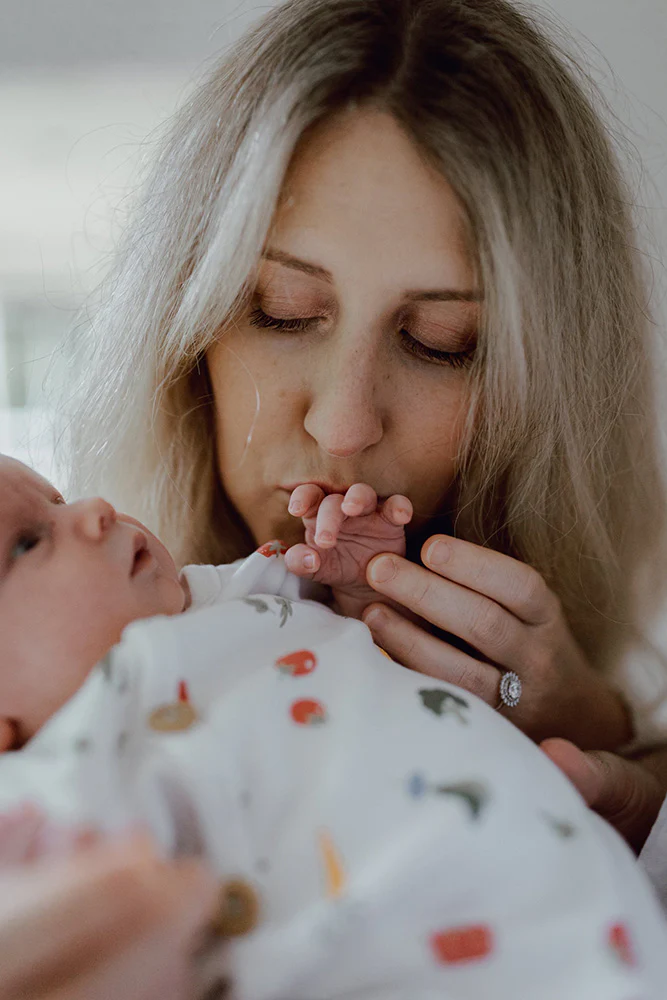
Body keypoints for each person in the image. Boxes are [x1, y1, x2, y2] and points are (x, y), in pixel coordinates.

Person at [2, 453, 667, 1000]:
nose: (91, 510)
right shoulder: (54, 784)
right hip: (393, 959)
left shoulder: (209, 599)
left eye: (60, 497)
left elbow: (323, 608)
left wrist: (355, 574)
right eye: (28, 543)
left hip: (573, 903)